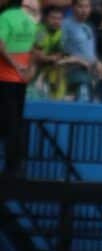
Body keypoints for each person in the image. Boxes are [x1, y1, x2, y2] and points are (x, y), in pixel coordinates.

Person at [0, 0, 34, 178]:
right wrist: (27, 70)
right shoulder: (29, 19)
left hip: (4, 77)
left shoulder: (5, 17)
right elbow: (34, 50)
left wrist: (15, 65)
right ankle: (16, 167)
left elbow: (0, 45)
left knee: (8, 124)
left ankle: (11, 168)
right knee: (15, 123)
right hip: (20, 81)